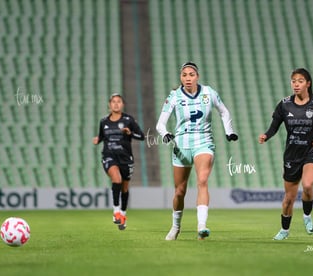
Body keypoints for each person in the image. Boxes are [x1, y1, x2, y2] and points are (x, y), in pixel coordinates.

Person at [156, 61, 238, 240]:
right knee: (180, 191)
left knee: (202, 180)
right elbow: (160, 123)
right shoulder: (174, 96)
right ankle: (175, 226)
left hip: (203, 142)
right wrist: (165, 134)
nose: (187, 78)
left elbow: (224, 112)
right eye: (184, 75)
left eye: (191, 75)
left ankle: (202, 225)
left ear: (197, 77)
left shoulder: (209, 92)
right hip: (181, 145)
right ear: (181, 77)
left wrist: (229, 131)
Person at [258, 68, 313, 240]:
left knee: (308, 185)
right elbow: (275, 126)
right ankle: (284, 231)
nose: (296, 84)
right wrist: (266, 135)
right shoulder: (284, 104)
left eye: (300, 81)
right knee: (289, 198)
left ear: (308, 83)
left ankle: (306, 215)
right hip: (292, 154)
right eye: (293, 81)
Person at [93, 93, 144, 230]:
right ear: (110, 104)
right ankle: (116, 211)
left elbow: (142, 136)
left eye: (119, 101)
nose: (116, 104)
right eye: (113, 101)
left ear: (122, 104)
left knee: (125, 188)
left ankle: (123, 214)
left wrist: (130, 133)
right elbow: (102, 136)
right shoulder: (104, 121)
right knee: (116, 179)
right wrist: (98, 140)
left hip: (126, 158)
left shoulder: (128, 120)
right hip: (109, 155)